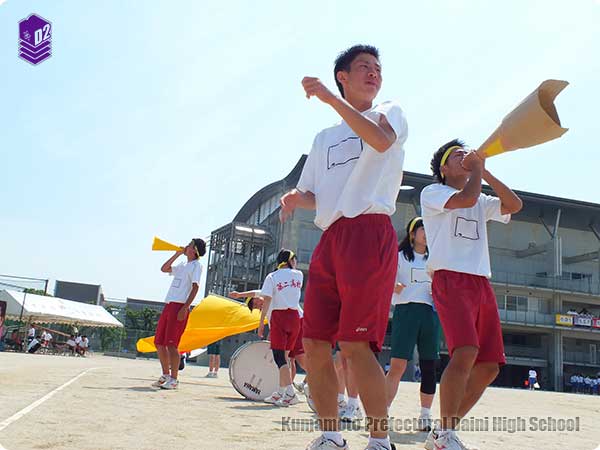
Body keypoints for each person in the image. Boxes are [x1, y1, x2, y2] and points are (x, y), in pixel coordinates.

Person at [280, 44, 408, 450]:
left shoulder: (389, 111)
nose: (374, 74)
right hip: (331, 237)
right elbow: (314, 192)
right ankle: (331, 436)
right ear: (343, 76)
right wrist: (295, 198)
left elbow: (381, 142)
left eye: (377, 68)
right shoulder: (324, 138)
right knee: (314, 343)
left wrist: (330, 100)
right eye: (364, 67)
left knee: (355, 344)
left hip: (369, 231)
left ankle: (379, 440)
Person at [421, 139, 522, 450]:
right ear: (443, 168)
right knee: (465, 351)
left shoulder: (480, 198)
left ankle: (442, 432)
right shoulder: (433, 192)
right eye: (457, 155)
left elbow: (514, 205)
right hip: (450, 278)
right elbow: (465, 199)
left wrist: (485, 172)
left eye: (466, 153)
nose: (464, 156)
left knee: (489, 365)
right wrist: (476, 170)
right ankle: (445, 436)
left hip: (480, 282)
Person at [385, 217, 439, 432]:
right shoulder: (399, 256)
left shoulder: (436, 258)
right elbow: (384, 277)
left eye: (429, 229)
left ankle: (425, 415)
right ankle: (383, 411)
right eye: (422, 229)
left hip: (430, 313)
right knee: (397, 364)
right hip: (405, 311)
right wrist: (393, 285)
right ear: (412, 233)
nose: (426, 233)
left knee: (429, 366)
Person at [152, 238, 206, 390]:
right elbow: (164, 268)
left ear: (194, 250)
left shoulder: (196, 266)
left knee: (172, 344)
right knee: (159, 342)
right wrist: (176, 254)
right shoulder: (183, 265)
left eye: (190, 245)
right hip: (169, 304)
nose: (186, 246)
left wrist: (185, 307)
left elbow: (195, 287)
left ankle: (174, 379)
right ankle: (165, 375)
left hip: (180, 306)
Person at [257, 249, 303, 407]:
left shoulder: (272, 276)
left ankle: (290, 393)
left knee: (279, 358)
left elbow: (267, 300)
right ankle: (280, 392)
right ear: (290, 260)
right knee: (286, 357)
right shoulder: (299, 275)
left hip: (279, 317)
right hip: (295, 317)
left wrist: (261, 323)